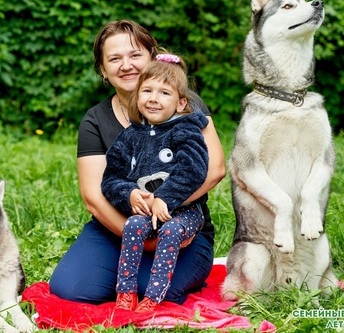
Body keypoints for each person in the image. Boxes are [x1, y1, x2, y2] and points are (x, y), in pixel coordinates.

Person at [49, 20, 226, 306]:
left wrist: (163, 204)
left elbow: (215, 169)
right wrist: (139, 237)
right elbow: (94, 196)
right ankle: (123, 271)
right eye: (114, 59)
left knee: (155, 290)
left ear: (152, 58)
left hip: (178, 225)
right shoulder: (95, 120)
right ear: (103, 71)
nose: (126, 65)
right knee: (71, 289)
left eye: (135, 55)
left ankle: (142, 278)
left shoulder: (184, 103)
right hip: (118, 226)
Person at [101, 53, 209, 312]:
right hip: (146, 211)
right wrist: (128, 194)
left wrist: (165, 198)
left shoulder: (186, 130)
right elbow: (111, 178)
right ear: (137, 98)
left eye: (164, 93)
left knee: (171, 231)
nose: (153, 98)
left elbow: (193, 170)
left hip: (184, 212)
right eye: (147, 90)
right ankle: (126, 292)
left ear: (181, 103)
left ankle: (154, 295)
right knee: (133, 225)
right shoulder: (130, 137)